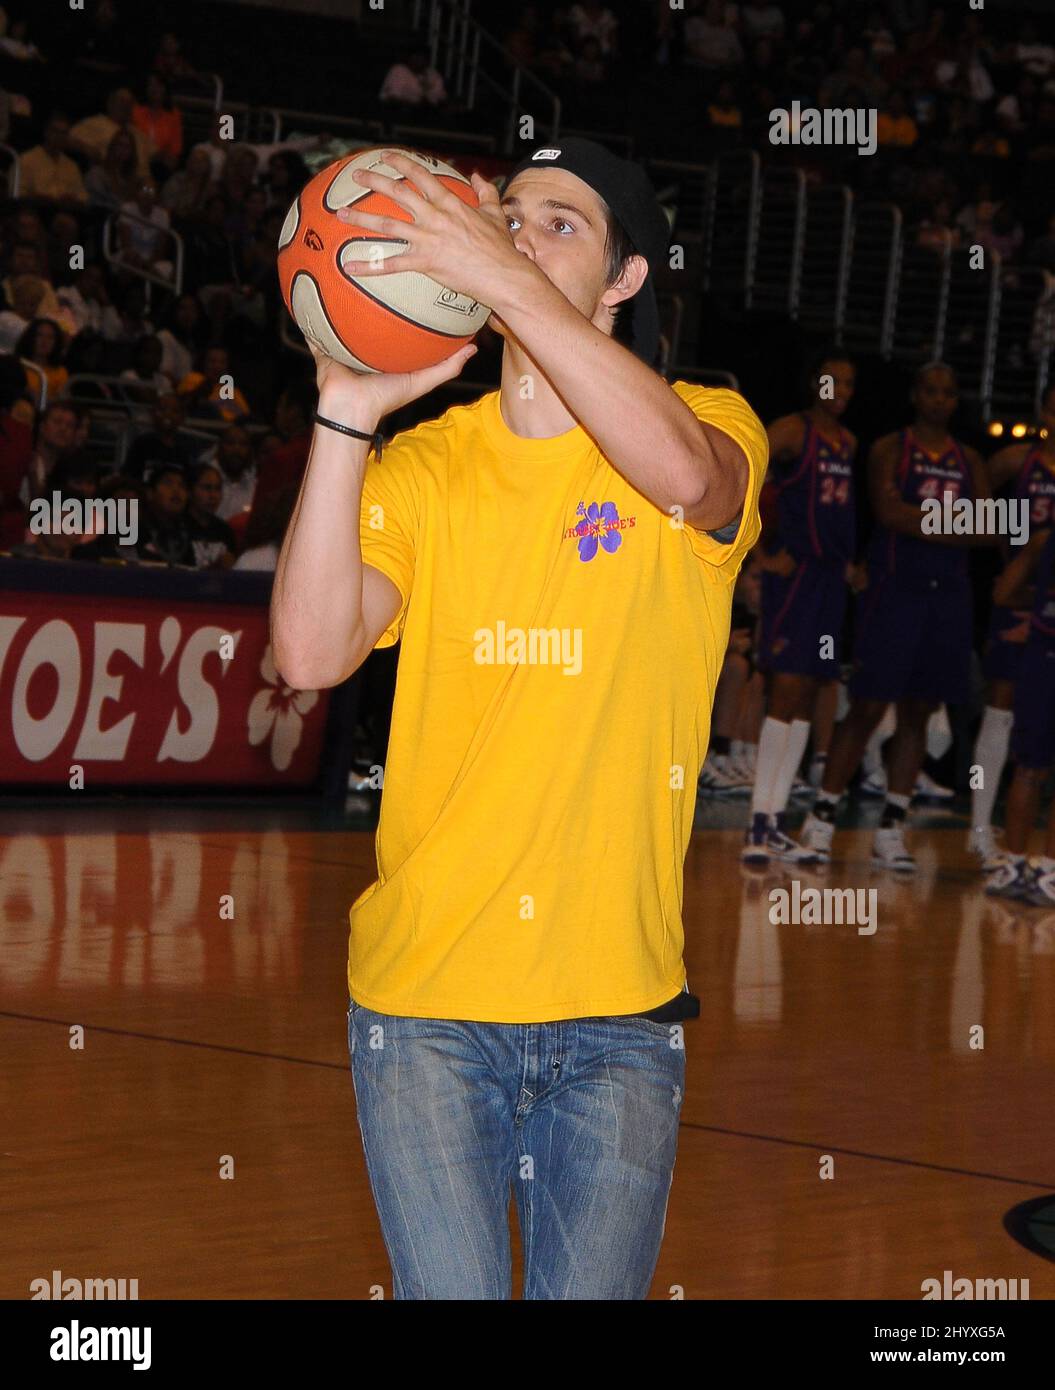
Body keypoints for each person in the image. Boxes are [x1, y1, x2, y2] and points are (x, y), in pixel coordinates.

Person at [270, 140, 767, 1299]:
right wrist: (345, 409)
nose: (515, 235)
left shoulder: (707, 422)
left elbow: (688, 484)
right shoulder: (425, 463)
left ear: (623, 278)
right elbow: (307, 650)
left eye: (557, 224)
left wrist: (503, 280)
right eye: (505, 216)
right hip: (425, 1007)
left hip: (618, 1019)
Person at [801, 364, 995, 870]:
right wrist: (952, 522)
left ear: (956, 401)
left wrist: (922, 519)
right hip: (893, 594)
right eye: (930, 390)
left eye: (948, 392)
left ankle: (893, 827)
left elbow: (990, 526)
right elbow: (888, 515)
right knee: (866, 707)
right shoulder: (890, 448)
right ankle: (821, 819)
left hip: (947, 598)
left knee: (919, 713)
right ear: (915, 396)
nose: (939, 399)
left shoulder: (968, 458)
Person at [743, 349, 859, 864]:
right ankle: (757, 824)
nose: (841, 392)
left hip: (829, 582)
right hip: (794, 579)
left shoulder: (850, 443)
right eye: (833, 382)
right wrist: (764, 554)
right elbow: (746, 479)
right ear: (814, 384)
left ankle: (777, 821)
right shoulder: (789, 431)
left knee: (810, 694)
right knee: (785, 692)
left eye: (850, 385)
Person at [969, 386, 1055, 869]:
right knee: (998, 712)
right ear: (1043, 411)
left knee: (1038, 734)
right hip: (1017, 601)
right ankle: (981, 828)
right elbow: (977, 481)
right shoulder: (1016, 461)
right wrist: (998, 531)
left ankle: (1033, 850)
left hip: (1050, 609)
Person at [985, 526, 1055, 907]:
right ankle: (1047, 870)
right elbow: (1002, 593)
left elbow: (1003, 593)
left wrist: (1040, 600)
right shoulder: (1044, 540)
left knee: (1029, 768)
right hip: (1043, 656)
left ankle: (1013, 863)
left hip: (1040, 659)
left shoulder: (1044, 539)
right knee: (1032, 768)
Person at [68, 87, 155, 177]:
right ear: (110, 103)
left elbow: (155, 153)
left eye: (129, 103)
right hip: (111, 180)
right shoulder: (94, 124)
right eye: (122, 101)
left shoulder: (137, 133)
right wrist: (85, 148)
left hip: (142, 183)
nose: (126, 106)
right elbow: (65, 139)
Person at [122, 391, 199, 480]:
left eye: (175, 411)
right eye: (162, 409)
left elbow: (192, 478)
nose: (168, 414)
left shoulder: (188, 445)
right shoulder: (142, 443)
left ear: (182, 417)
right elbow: (129, 474)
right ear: (153, 413)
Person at [18, 111, 88, 204]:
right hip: (35, 209)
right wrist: (37, 197)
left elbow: (83, 196)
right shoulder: (26, 159)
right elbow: (18, 192)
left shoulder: (71, 166)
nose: (59, 136)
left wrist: (72, 198)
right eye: (55, 131)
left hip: (66, 210)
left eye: (64, 133)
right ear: (46, 132)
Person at [185, 461, 236, 569]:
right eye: (206, 488)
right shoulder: (178, 528)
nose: (213, 495)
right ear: (189, 492)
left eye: (217, 489)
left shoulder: (225, 531)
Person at [378, 45, 447, 107]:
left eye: (422, 57)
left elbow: (440, 97)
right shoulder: (399, 70)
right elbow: (392, 99)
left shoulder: (433, 75)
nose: (419, 60)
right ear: (409, 57)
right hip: (397, 112)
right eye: (416, 56)